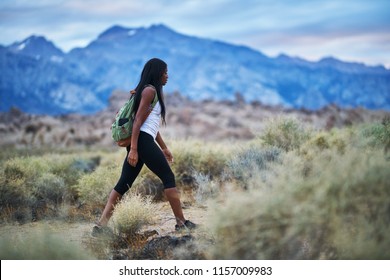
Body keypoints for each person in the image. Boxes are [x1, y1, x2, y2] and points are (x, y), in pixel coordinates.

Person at [93, 58, 196, 236]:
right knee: (168, 178)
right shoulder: (150, 91)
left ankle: (100, 227)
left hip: (142, 140)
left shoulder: (151, 92)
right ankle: (181, 223)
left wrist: (163, 147)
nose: (167, 76)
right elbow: (138, 122)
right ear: (157, 73)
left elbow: (151, 127)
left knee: (123, 184)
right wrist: (134, 149)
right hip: (141, 142)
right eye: (164, 72)